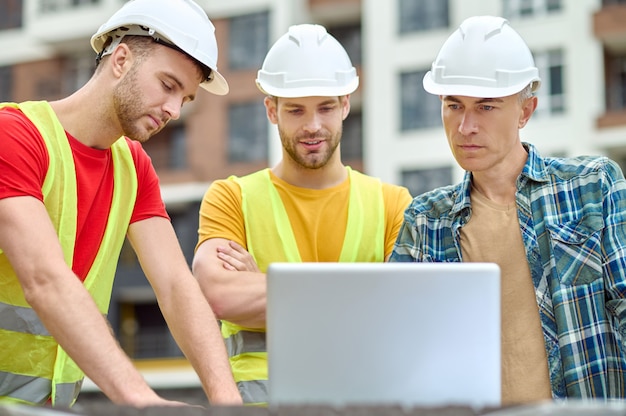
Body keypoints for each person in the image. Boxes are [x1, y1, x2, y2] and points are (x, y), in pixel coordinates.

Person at [0, 0, 242, 408]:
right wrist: (142, 400)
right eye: (168, 85)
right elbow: (45, 280)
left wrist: (227, 401)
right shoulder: (15, 137)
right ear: (122, 59)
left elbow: (175, 286)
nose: (173, 110)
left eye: (184, 98)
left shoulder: (132, 167)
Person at [390, 15, 626, 403]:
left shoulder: (593, 186)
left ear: (525, 111)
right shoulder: (425, 221)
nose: (465, 126)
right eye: (453, 106)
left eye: (485, 107)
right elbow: (398, 343)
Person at [192, 24, 413, 405]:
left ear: (345, 105)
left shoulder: (392, 203)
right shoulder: (231, 198)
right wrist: (364, 292)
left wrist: (264, 285)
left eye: (326, 107)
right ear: (271, 110)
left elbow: (406, 315)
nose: (312, 126)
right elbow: (219, 294)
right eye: (295, 110)